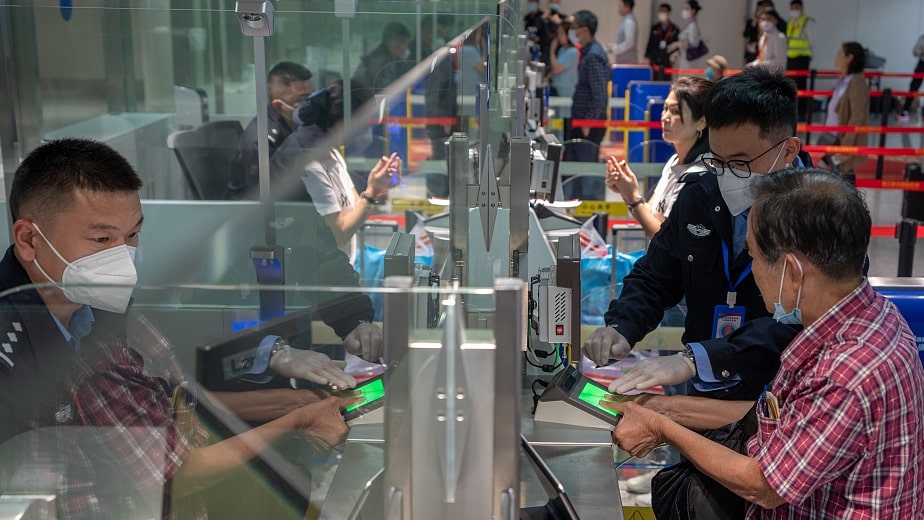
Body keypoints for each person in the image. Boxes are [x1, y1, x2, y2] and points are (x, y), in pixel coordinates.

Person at [0, 138, 362, 518]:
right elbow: (174, 471)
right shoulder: (19, 345)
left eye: (132, 235)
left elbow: (168, 402)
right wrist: (300, 417)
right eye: (102, 239)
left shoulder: (101, 312)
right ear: (29, 240)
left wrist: (296, 400)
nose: (122, 256)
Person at [608, 168, 924, 519]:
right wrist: (665, 409)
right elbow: (783, 418)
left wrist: (661, 427)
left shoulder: (845, 370)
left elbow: (765, 485)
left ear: (791, 270)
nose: (754, 268)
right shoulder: (868, 317)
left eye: (755, 257)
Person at [583, 67, 805, 402]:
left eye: (741, 161)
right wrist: (622, 325)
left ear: (787, 151)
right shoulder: (701, 193)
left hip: (782, 397)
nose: (727, 174)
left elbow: (807, 322)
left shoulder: (821, 215)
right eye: (718, 159)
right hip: (703, 389)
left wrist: (698, 359)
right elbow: (657, 271)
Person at [272, 84, 403, 263]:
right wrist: (371, 193)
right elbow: (338, 234)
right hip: (315, 273)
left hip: (338, 266)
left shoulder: (330, 152)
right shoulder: (308, 162)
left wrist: (377, 187)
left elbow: (355, 204)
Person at [605, 76, 714, 239]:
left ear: (701, 122)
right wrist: (627, 190)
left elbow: (664, 237)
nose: (665, 117)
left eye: (675, 111)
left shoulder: (699, 175)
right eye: (665, 108)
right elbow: (652, 214)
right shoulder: (674, 161)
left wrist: (633, 198)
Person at [232, 61, 315, 198]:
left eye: (312, 97)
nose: (310, 105)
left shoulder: (295, 125)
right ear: (278, 106)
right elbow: (260, 193)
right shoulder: (261, 139)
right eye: (303, 99)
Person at [563, 9, 609, 199]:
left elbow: (599, 94)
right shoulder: (588, 52)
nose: (572, 33)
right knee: (577, 167)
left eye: (574, 28)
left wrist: (588, 123)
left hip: (587, 126)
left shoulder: (593, 56)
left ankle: (585, 211)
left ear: (584, 30)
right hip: (582, 123)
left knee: (585, 169)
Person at [819, 42, 869, 178]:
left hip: (842, 140)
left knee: (842, 178)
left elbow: (857, 116)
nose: (836, 57)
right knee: (832, 174)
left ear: (849, 58)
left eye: (840, 54)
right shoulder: (843, 80)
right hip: (832, 137)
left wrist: (847, 146)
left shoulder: (857, 82)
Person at [351, 22, 414, 112]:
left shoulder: (390, 59)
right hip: (365, 110)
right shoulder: (381, 62)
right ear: (395, 43)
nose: (405, 48)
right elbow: (386, 92)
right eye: (404, 43)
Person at [786, 0, 815, 121]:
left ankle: (802, 113)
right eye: (792, 8)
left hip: (802, 58)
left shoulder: (807, 22)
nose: (794, 10)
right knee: (790, 86)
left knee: (801, 86)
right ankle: (792, 112)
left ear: (802, 8)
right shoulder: (790, 22)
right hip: (791, 57)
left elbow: (812, 40)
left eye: (796, 7)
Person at [645, 3, 680, 81]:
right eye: (660, 12)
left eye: (664, 12)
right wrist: (648, 56)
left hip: (667, 61)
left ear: (669, 13)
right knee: (655, 81)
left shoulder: (674, 29)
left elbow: (676, 46)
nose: (662, 14)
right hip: (655, 60)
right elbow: (650, 43)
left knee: (667, 82)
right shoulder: (655, 28)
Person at [548, 20, 579, 98]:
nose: (559, 36)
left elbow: (556, 68)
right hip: (558, 89)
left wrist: (552, 49)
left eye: (561, 33)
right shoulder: (563, 49)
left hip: (566, 92)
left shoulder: (572, 52)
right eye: (558, 33)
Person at [671, 1, 705, 71]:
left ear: (693, 10)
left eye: (687, 9)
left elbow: (693, 45)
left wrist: (677, 44)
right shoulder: (689, 25)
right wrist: (677, 52)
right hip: (684, 59)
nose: (684, 11)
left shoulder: (693, 26)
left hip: (689, 62)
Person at [898, 33, 924, 120]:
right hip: (922, 63)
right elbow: (915, 51)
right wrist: (921, 51)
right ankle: (905, 111)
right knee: (913, 87)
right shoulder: (922, 37)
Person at [611, 0, 639, 65]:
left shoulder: (629, 21)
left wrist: (615, 49)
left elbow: (629, 43)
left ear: (627, 7)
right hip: (623, 61)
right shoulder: (625, 20)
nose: (619, 8)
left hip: (627, 62)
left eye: (620, 6)